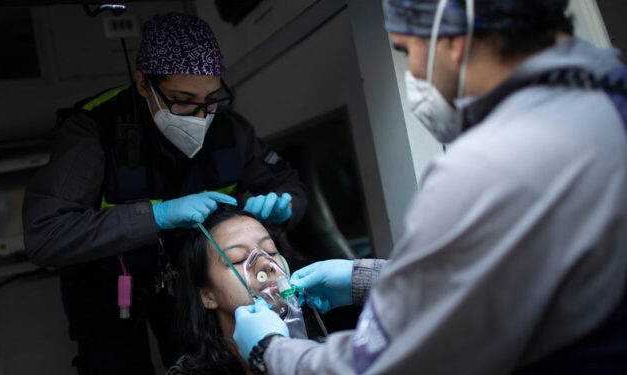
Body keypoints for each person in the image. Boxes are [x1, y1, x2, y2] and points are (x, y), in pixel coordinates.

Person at [231, 0, 627, 374]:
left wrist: (271, 350)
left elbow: (383, 367)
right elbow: (511, 274)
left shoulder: (488, 169)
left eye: (406, 52)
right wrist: (366, 278)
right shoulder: (605, 104)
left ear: (452, 41)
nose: (415, 74)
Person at [23, 12, 308, 375]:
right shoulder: (93, 132)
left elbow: (290, 186)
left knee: (204, 362)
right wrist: (156, 217)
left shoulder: (230, 130)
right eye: (183, 100)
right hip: (108, 285)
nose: (200, 115)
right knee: (114, 364)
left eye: (211, 99)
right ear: (143, 84)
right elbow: (44, 235)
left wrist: (287, 206)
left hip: (187, 286)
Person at [167, 205, 306, 375]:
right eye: (238, 260)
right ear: (207, 295)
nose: (266, 264)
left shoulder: (324, 351)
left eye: (271, 250)